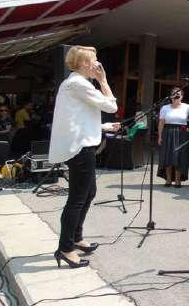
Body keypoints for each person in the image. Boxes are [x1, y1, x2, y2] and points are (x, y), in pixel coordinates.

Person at [48, 45, 119, 268]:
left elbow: (78, 117)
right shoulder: (78, 83)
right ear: (84, 63)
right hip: (80, 149)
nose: (97, 65)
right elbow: (110, 105)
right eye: (94, 61)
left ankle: (76, 238)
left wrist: (104, 126)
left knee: (88, 193)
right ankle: (65, 248)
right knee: (78, 198)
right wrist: (103, 80)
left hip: (80, 145)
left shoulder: (74, 84)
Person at [157, 87, 189, 187]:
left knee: (180, 157)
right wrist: (160, 136)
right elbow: (161, 123)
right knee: (168, 156)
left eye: (178, 94)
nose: (176, 96)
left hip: (182, 133)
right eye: (174, 94)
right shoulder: (165, 108)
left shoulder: (187, 107)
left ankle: (178, 180)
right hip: (168, 132)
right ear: (171, 96)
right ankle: (168, 180)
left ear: (182, 97)